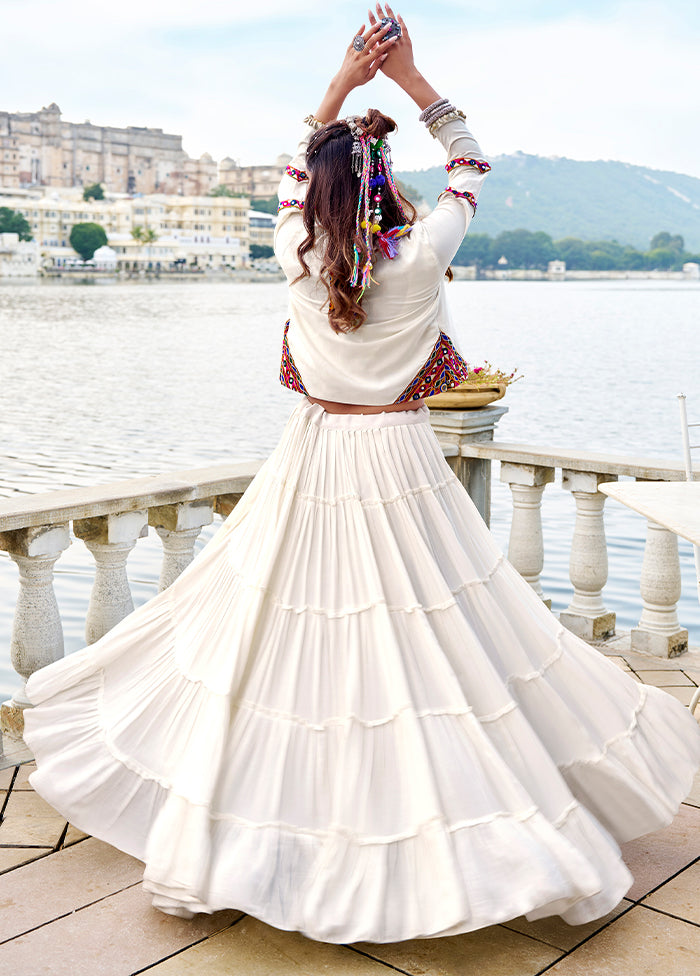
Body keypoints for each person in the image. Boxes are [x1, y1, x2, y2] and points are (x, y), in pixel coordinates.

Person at [23, 5, 700, 945]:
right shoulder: (422, 258)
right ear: (387, 192)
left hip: (317, 455)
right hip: (402, 459)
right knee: (438, 637)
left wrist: (343, 84)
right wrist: (414, 82)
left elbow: (296, 169)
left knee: (280, 637)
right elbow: (469, 163)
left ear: (325, 198)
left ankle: (267, 825)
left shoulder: (295, 255)